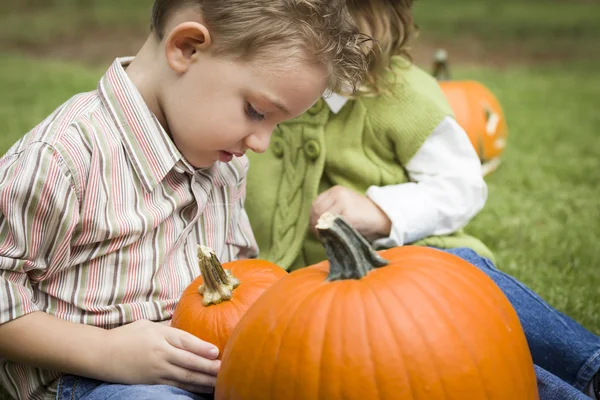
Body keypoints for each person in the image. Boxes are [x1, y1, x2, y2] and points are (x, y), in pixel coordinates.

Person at [0, 0, 367, 399]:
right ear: (187, 48)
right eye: (256, 111)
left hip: (202, 366)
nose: (261, 143)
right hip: (91, 380)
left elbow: (235, 285)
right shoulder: (62, 159)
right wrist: (105, 351)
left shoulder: (224, 163)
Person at [244, 0, 600, 398]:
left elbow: (462, 185)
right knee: (464, 366)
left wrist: (381, 211)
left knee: (472, 300)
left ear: (384, 18)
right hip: (322, 297)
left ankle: (590, 367)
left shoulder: (402, 95)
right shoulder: (261, 99)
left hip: (417, 262)